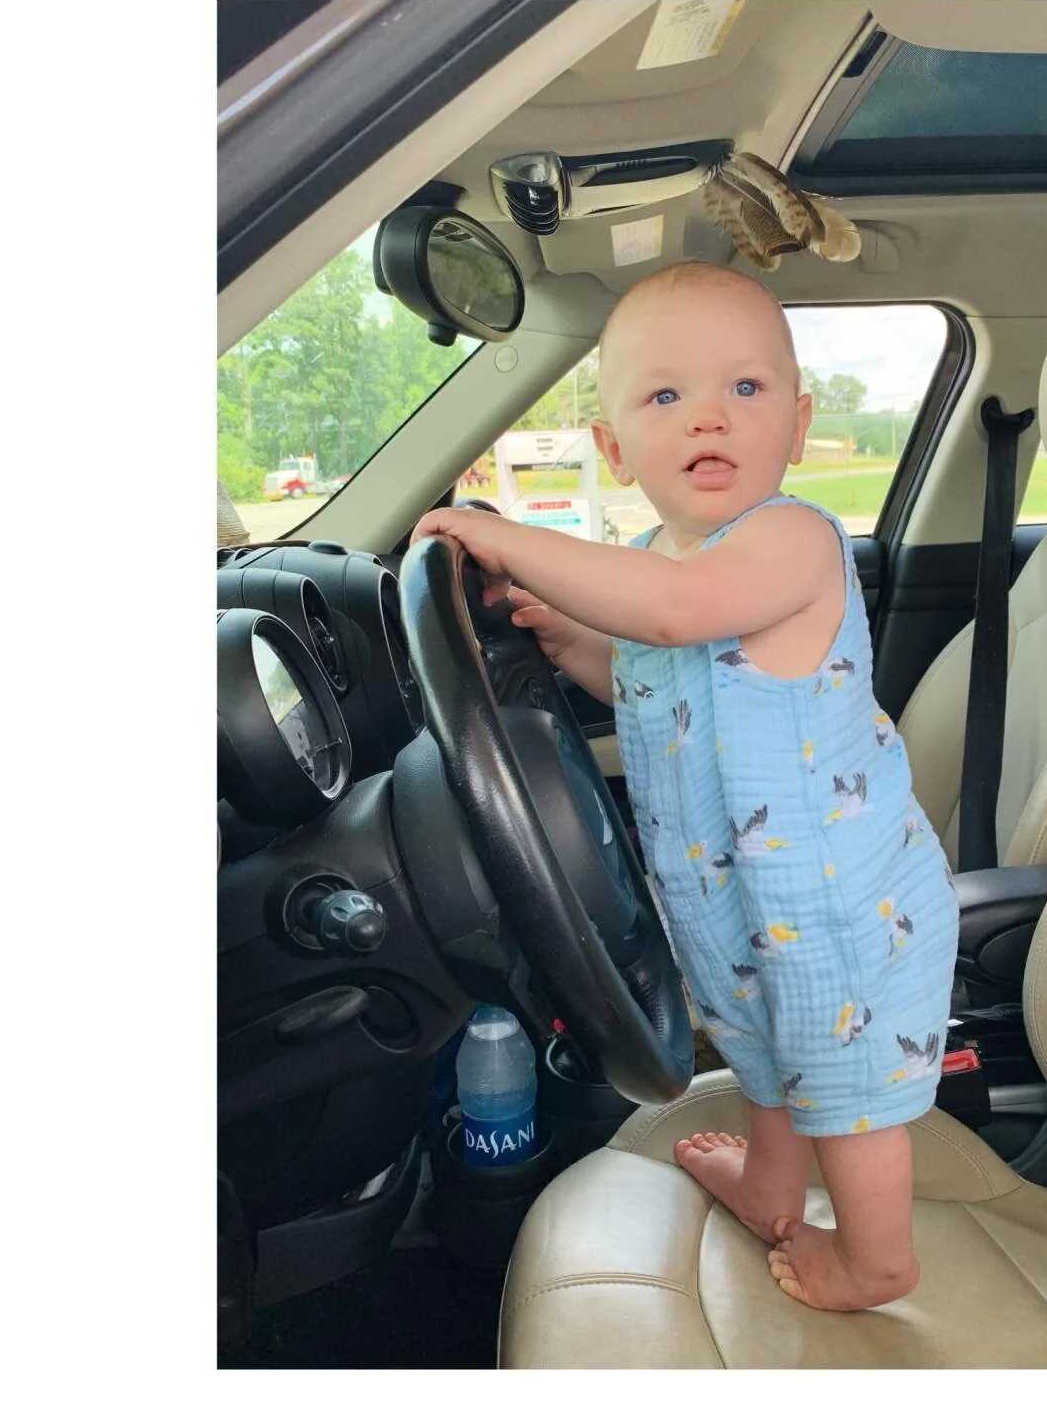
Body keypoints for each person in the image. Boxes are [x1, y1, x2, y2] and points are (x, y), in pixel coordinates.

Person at [410, 261, 959, 1312]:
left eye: (744, 391)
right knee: (759, 1042)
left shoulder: (789, 541)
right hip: (734, 902)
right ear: (615, 448)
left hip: (841, 903)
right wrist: (570, 635)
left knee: (842, 1085)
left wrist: (503, 535)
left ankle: (876, 1256)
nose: (708, 417)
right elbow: (653, 676)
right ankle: (768, 1182)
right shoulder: (663, 553)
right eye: (666, 397)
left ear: (797, 426)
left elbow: (676, 612)